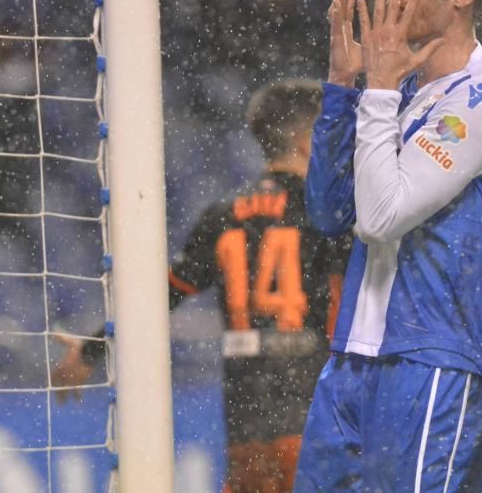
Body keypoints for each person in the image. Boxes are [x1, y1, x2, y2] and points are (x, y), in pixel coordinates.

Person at [295, 0, 482, 491]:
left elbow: (380, 220)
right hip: (355, 353)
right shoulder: (393, 88)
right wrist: (342, 88)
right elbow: (329, 213)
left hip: (431, 358)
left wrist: (374, 92)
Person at [53, 79, 352, 493]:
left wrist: (91, 347)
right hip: (313, 409)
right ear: (307, 141)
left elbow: (158, 300)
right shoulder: (328, 213)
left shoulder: (223, 215)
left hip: (247, 420)